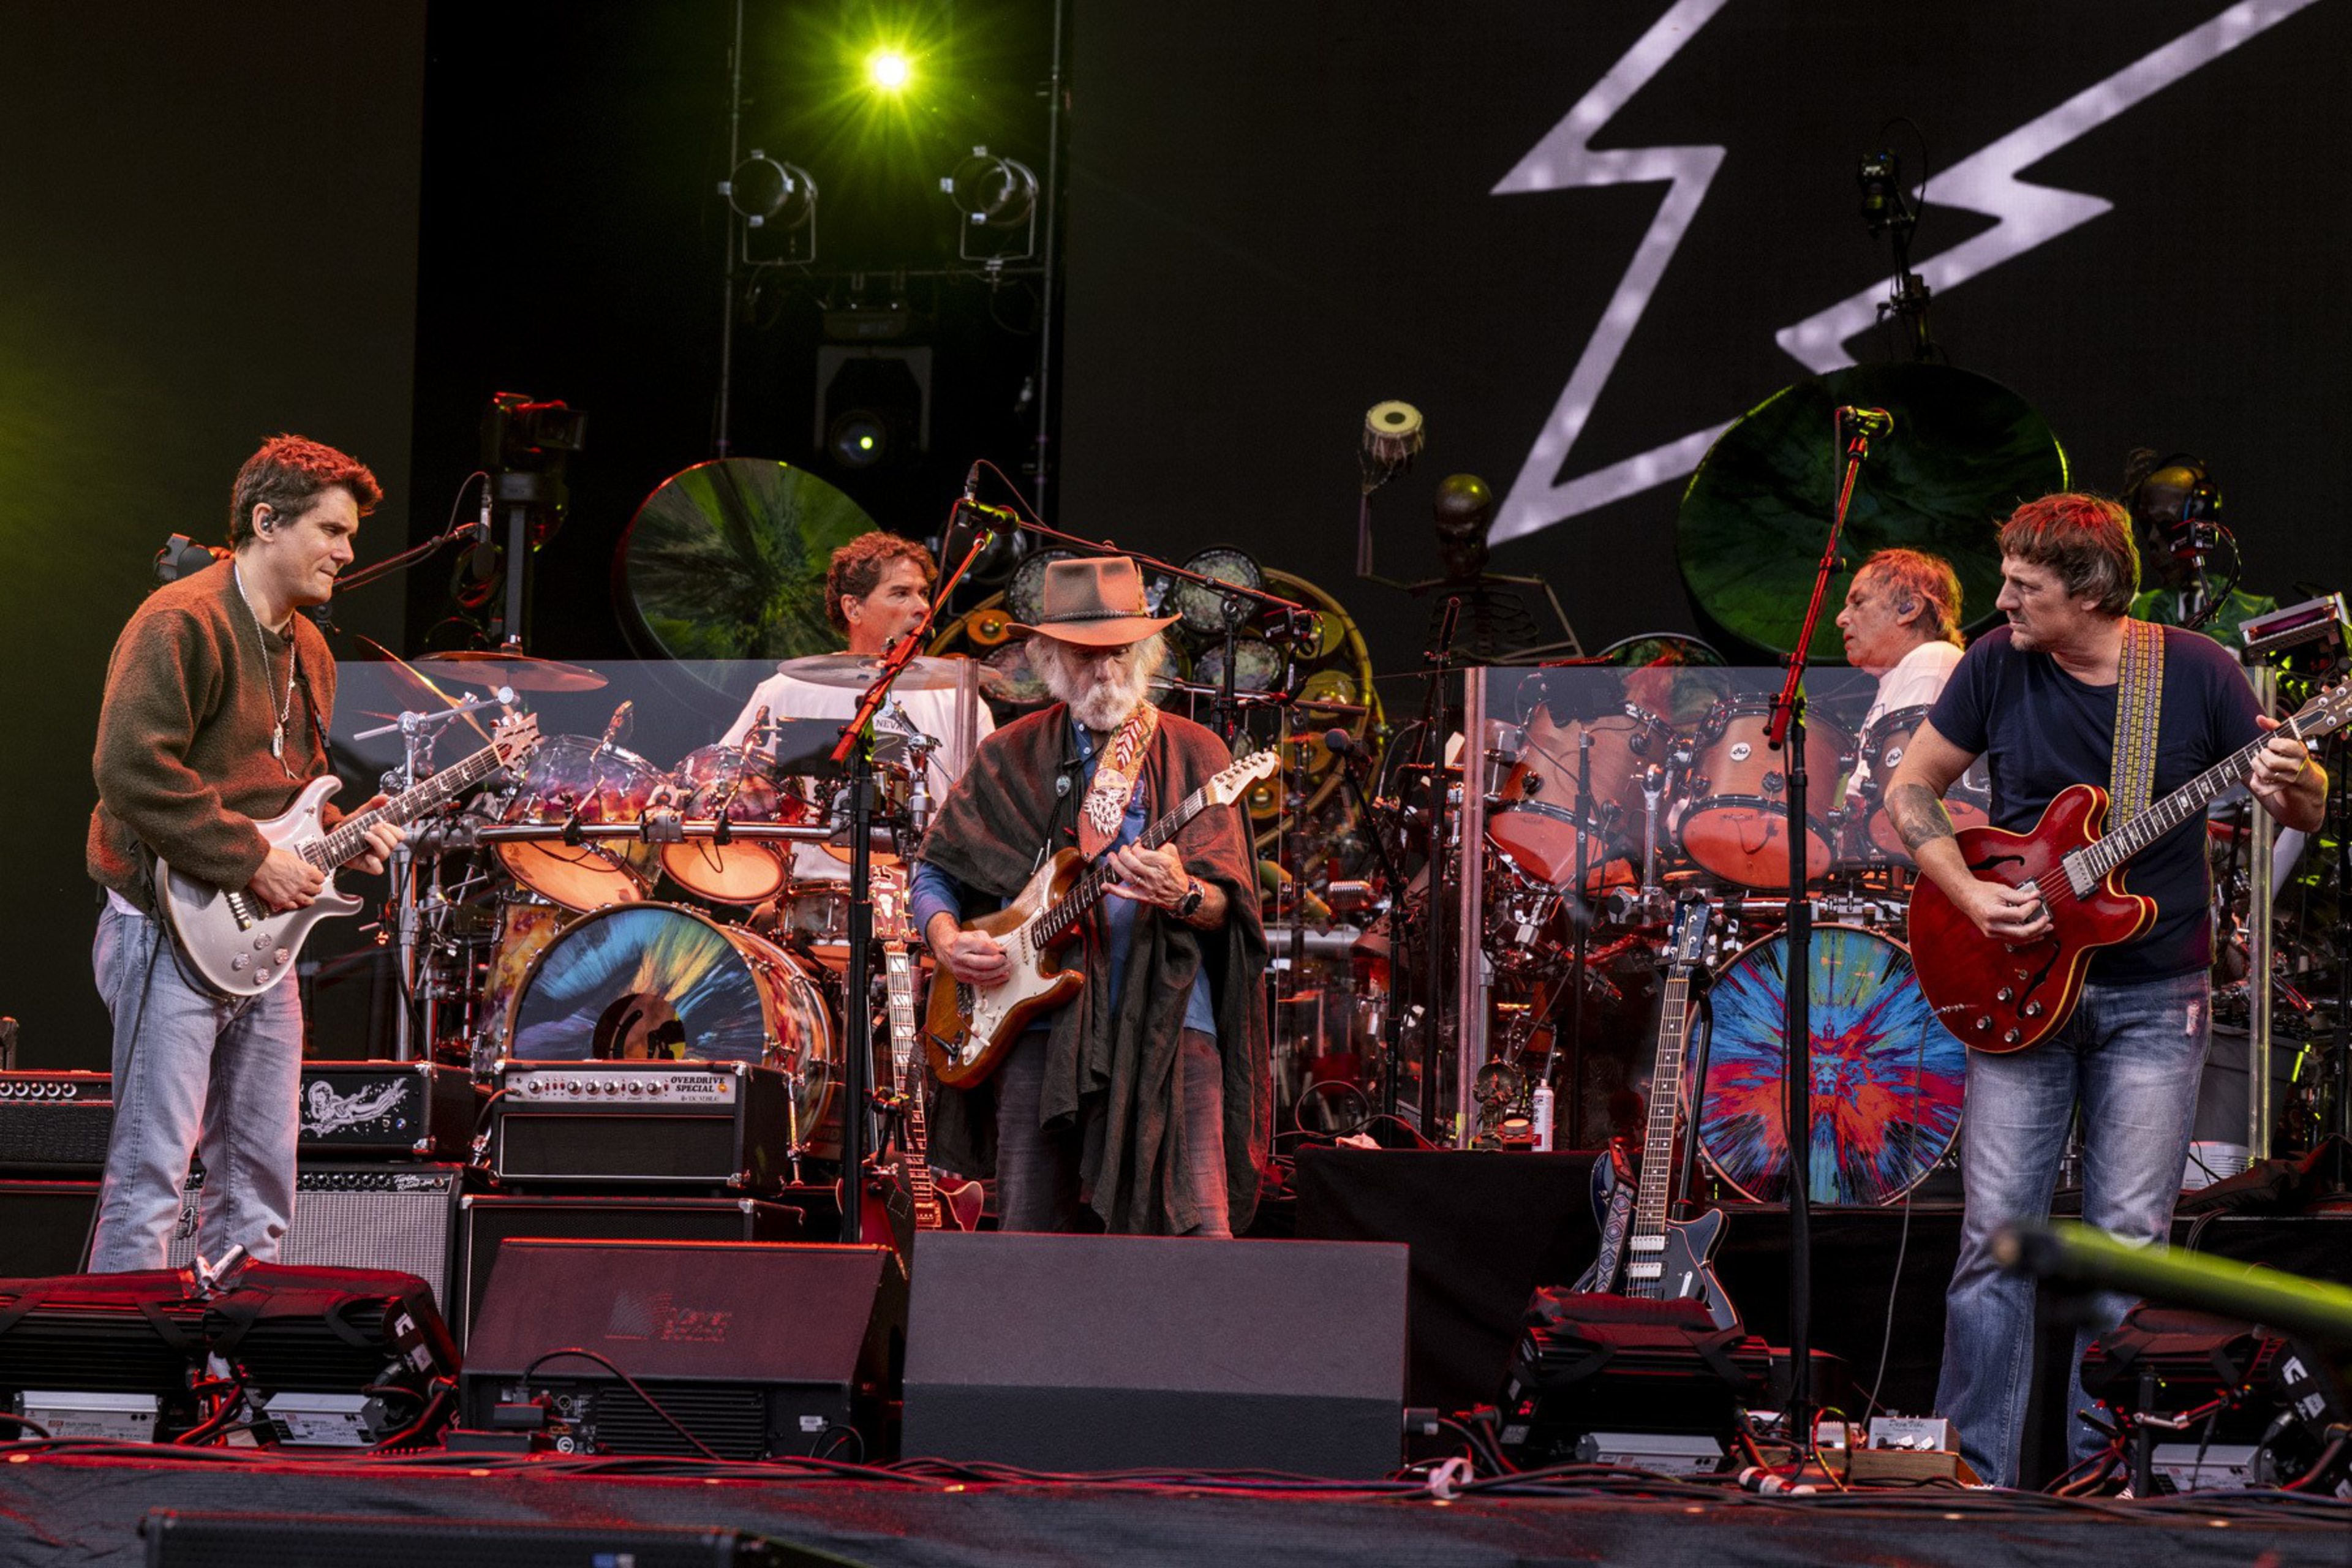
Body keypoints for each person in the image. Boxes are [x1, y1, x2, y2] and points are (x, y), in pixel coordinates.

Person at [1885, 492, 2324, 1487]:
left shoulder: (2200, 671)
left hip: (2153, 996)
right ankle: (1978, 1478)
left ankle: (2104, 1479)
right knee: (1995, 1248)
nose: (1999, 604)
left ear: (2089, 592)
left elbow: (2304, 798)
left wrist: (2299, 784)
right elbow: (1913, 787)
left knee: (2128, 1249)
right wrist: (1966, 891)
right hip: (2020, 982)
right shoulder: (1998, 664)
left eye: (2025, 588)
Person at [87, 435, 404, 1272]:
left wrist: (340, 841)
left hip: (259, 945)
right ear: (267, 521)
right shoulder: (180, 620)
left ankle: (229, 1385)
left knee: (260, 1189)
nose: (345, 552)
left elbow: (279, 803)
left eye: (348, 538)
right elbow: (129, 769)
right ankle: (116, 1394)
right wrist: (250, 861)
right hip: (167, 929)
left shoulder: (313, 651)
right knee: (152, 1179)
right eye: (331, 532)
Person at [909, 556, 1270, 1235]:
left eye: (1120, 652)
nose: (1104, 670)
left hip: (1168, 1023)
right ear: (1045, 655)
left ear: (1148, 652)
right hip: (1036, 1029)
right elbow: (934, 872)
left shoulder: (1198, 752)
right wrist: (948, 940)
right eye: (1084, 653)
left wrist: (1186, 893)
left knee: (1199, 1237)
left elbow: (1232, 906)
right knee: (1032, 1245)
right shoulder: (1008, 755)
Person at [721, 530, 993, 887]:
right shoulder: (787, 690)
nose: (923, 607)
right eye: (900, 593)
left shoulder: (959, 699)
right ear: (853, 608)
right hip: (808, 898)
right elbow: (729, 786)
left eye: (923, 593)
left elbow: (991, 815)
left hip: (926, 906)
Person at [1835, 547, 1966, 801]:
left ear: (1909, 608)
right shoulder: (1898, 676)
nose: (1842, 618)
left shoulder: (1930, 659)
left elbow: (1901, 787)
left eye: (1858, 603)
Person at [2122, 450, 2277, 646]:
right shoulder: (2134, 613)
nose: (2152, 539)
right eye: (2146, 526)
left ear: (2202, 519)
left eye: (2166, 525)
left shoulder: (2254, 614)